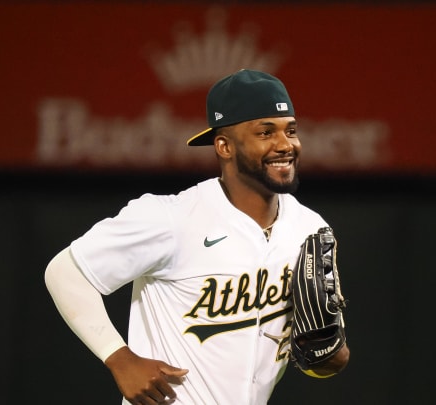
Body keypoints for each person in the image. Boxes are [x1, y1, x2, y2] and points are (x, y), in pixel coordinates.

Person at [44, 69, 350, 404]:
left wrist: (325, 355)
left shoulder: (309, 227)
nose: (285, 144)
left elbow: (320, 362)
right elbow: (65, 272)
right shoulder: (172, 218)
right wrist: (119, 358)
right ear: (224, 145)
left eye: (290, 130)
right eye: (266, 132)